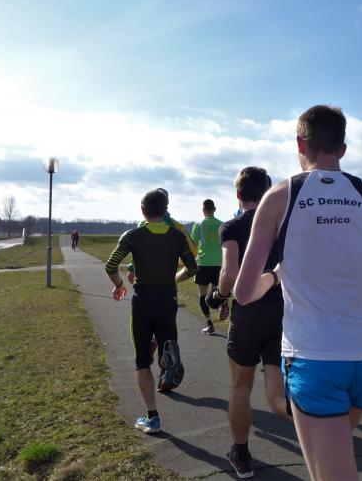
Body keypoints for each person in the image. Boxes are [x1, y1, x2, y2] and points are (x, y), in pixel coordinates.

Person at [234, 105, 362, 480]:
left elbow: (244, 292)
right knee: (329, 463)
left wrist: (275, 277)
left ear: (300, 144)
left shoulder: (279, 196)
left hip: (314, 356)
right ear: (342, 149)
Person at [206, 166, 290, 478]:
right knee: (277, 394)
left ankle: (240, 454)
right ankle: (321, 431)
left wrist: (218, 296)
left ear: (238, 194)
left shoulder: (232, 226)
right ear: (268, 194)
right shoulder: (282, 225)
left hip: (248, 313)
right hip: (281, 312)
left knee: (241, 386)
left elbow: (229, 274)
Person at [105, 188, 198, 434]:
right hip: (168, 299)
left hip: (143, 301)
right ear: (165, 210)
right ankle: (168, 354)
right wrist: (174, 279)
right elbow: (192, 268)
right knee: (166, 337)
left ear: (142, 210)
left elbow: (111, 265)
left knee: (141, 360)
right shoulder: (177, 236)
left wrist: (119, 285)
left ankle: (152, 417)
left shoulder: (132, 235)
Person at [191, 199, 227, 334]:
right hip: (218, 263)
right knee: (216, 291)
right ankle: (221, 305)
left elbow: (194, 246)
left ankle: (209, 324)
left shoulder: (198, 225)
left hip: (203, 263)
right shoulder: (222, 224)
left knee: (202, 294)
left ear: (203, 210)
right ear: (214, 209)